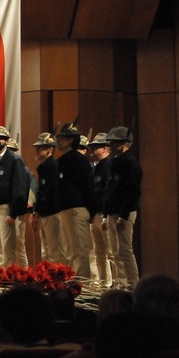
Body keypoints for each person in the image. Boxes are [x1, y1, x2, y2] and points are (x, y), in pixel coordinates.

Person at [102, 126, 142, 289]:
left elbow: (132, 191)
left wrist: (123, 215)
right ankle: (120, 282)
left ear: (124, 144)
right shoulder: (113, 162)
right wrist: (105, 215)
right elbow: (109, 190)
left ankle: (133, 283)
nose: (110, 145)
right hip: (112, 211)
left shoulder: (131, 164)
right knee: (115, 251)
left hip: (123, 212)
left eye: (114, 143)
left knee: (125, 250)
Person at [0, 126, 29, 267]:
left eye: (0, 138)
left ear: (7, 141)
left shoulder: (15, 160)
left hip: (5, 209)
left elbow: (19, 189)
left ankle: (9, 279)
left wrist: (13, 213)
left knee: (8, 248)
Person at [55, 122, 95, 278]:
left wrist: (91, 209)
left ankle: (82, 287)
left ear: (71, 140)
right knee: (70, 252)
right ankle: (73, 284)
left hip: (76, 209)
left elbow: (87, 186)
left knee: (79, 252)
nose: (58, 141)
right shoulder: (62, 160)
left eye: (62, 138)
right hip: (66, 210)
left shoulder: (77, 159)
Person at [30, 133, 65, 264]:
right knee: (46, 251)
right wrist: (36, 211)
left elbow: (51, 192)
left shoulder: (53, 166)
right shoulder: (44, 168)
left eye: (41, 148)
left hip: (53, 212)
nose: (37, 151)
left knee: (55, 250)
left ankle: (59, 279)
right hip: (44, 213)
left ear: (50, 149)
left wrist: (40, 208)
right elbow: (41, 192)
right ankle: (48, 278)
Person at [88, 133, 114, 287]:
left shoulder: (109, 165)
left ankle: (115, 284)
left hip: (105, 214)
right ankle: (104, 284)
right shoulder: (97, 167)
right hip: (95, 214)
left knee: (112, 252)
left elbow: (108, 192)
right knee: (99, 254)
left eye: (96, 146)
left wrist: (105, 215)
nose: (93, 149)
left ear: (105, 148)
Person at [6, 137, 31, 268]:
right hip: (6, 211)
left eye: (12, 151)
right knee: (6, 246)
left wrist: (15, 212)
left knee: (19, 245)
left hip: (18, 213)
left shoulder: (23, 170)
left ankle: (24, 273)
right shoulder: (5, 170)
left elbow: (24, 194)